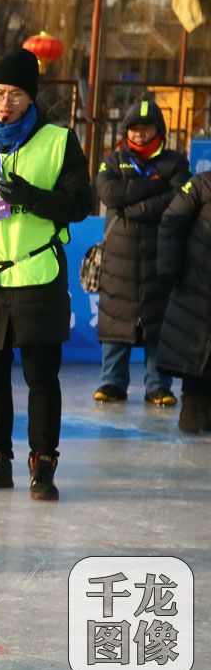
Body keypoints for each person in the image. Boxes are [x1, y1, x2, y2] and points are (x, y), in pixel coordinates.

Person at [0, 48, 93, 500]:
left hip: (37, 276)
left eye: (15, 94)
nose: (5, 103)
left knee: (41, 378)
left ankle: (42, 465)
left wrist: (32, 198)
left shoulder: (59, 142)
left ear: (31, 98)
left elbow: (81, 205)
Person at [93, 100, 189, 407]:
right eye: (133, 129)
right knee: (114, 321)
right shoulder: (113, 161)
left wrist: (134, 204)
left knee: (158, 324)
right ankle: (112, 382)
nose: (139, 134)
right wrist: (154, 187)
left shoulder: (176, 162)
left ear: (158, 130)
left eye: (146, 128)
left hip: (160, 255)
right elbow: (109, 194)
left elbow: (179, 199)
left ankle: (158, 386)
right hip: (118, 259)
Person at [156, 171, 211, 434]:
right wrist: (169, 267)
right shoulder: (202, 184)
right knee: (194, 347)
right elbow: (172, 222)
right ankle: (192, 402)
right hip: (197, 282)